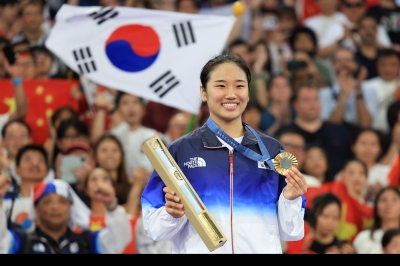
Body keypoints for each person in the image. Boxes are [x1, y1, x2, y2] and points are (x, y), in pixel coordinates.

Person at [141, 53, 308, 254]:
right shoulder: (180, 151)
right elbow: (154, 229)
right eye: (220, 86)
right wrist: (172, 214)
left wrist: (290, 199)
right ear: (203, 92)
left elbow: (291, 232)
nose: (231, 94)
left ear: (248, 91)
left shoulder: (271, 151)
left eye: (239, 86)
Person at [0, 176, 132, 254]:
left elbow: (118, 242)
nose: (55, 207)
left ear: (71, 208)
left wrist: (111, 205)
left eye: (62, 202)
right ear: (37, 209)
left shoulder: (86, 240)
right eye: (47, 202)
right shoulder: (22, 241)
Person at [275, 83, 354, 181]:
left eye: (316, 99)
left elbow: (351, 161)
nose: (312, 104)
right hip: (294, 188)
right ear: (295, 104)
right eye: (306, 100)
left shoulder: (339, 131)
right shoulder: (283, 134)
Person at [318, 47, 377, 135]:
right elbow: (331, 126)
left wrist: (358, 93)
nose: (344, 63)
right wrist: (343, 96)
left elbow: (366, 124)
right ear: (333, 66)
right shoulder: (323, 93)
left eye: (348, 60)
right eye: (339, 60)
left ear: (356, 64)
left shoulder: (370, 91)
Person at [84, 167, 138, 254]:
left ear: (112, 186)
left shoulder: (123, 214)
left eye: (105, 179)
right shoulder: (81, 224)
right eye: (94, 179)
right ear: (86, 189)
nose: (99, 183)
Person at [353, 187, 400, 253]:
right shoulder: (364, 238)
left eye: (394, 200)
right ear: (376, 207)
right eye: (384, 200)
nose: (389, 204)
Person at [351, 129, 391, 203]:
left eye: (373, 144)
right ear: (353, 147)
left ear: (380, 149)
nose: (368, 148)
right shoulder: (344, 174)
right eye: (363, 143)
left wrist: (382, 195)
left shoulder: (388, 172)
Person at [93, 134, 132, 205]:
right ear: (95, 155)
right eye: (104, 150)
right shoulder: (92, 186)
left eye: (115, 150)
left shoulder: (130, 186)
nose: (110, 154)